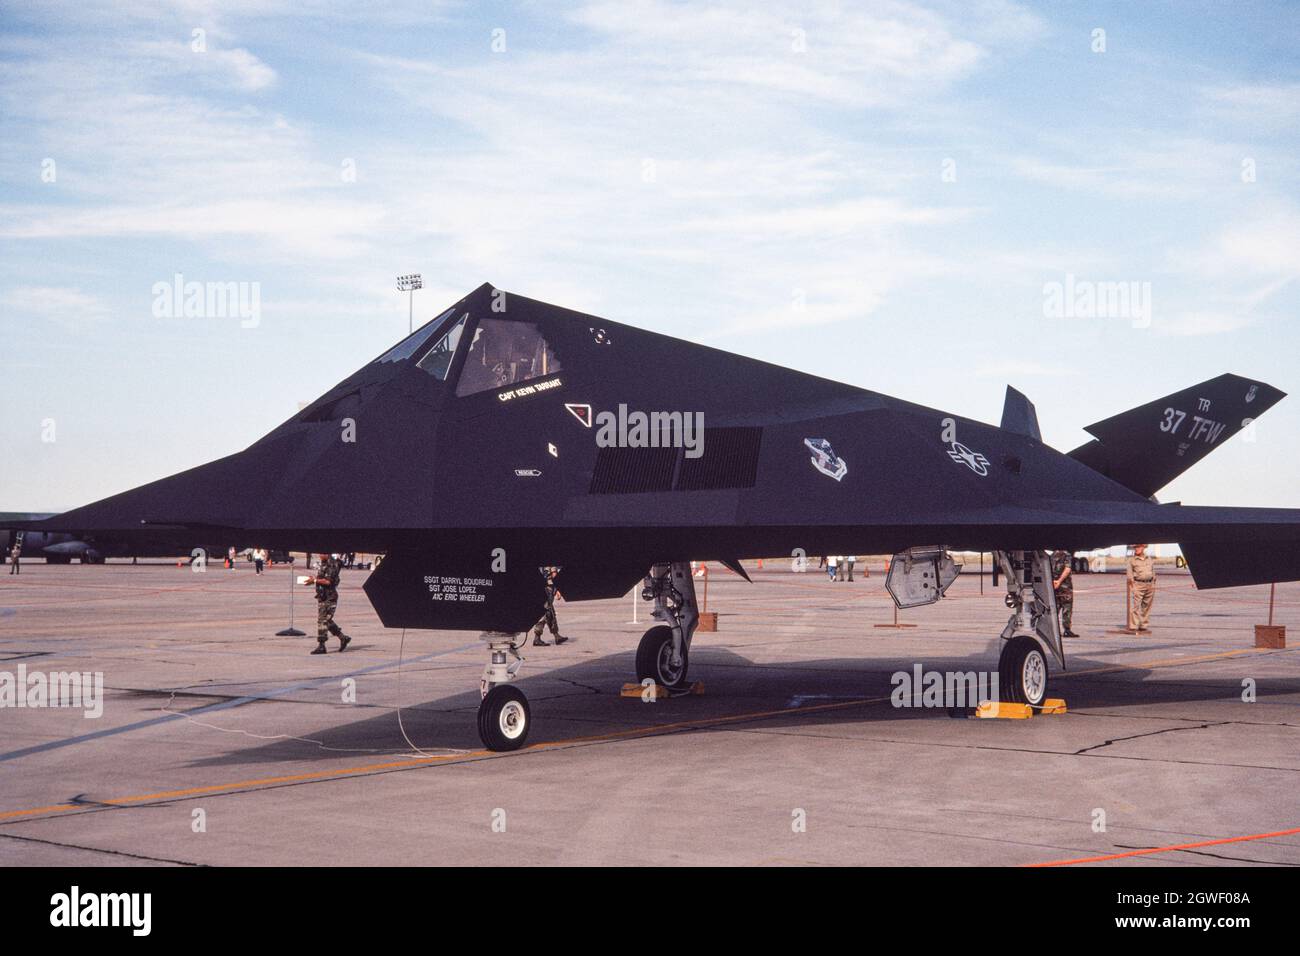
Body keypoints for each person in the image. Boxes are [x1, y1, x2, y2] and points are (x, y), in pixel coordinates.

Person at [307, 552, 350, 654]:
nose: (319, 556)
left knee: (323, 621)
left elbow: (328, 581)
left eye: (321, 554)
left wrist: (315, 581)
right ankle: (343, 638)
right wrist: (313, 580)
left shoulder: (332, 565)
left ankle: (322, 646)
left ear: (326, 553)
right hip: (323, 596)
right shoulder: (324, 564)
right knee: (327, 621)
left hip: (329, 597)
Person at [533, 567, 567, 646]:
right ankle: (537, 638)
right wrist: (558, 589)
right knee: (545, 613)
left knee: (550, 612)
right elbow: (554, 574)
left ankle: (556, 636)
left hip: (543, 587)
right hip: (548, 588)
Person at [1127, 544, 1156, 633]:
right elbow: (1129, 574)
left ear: (1143, 548)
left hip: (1149, 584)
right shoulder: (1131, 560)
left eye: (1138, 547)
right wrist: (1133, 586)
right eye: (1135, 547)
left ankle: (1143, 625)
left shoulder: (1149, 559)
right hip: (1138, 585)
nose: (1136, 549)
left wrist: (1153, 583)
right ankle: (1133, 625)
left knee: (1146, 606)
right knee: (1135, 606)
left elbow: (1153, 571)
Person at [1051, 549, 1078, 637]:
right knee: (1067, 607)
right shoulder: (1067, 554)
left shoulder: (1052, 555)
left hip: (1054, 585)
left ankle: (1054, 630)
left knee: (1056, 607)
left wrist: (1053, 581)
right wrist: (1059, 581)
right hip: (1065, 586)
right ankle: (1067, 630)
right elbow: (1067, 569)